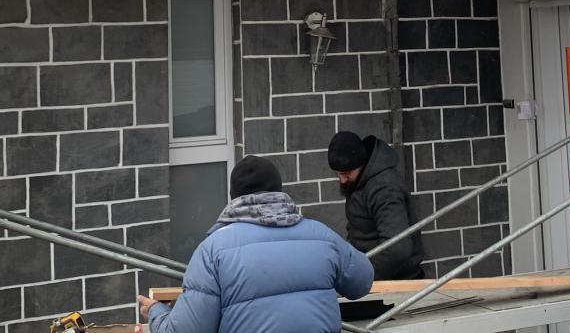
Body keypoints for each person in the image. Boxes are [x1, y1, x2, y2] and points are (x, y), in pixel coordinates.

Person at [136, 155, 374, 333]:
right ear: (278, 191)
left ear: (234, 196)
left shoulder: (213, 251)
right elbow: (362, 281)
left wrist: (157, 312)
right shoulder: (321, 235)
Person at [327, 131, 424, 280]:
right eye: (337, 174)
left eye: (346, 173)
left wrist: (362, 276)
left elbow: (398, 248)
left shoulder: (384, 188)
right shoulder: (361, 180)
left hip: (395, 281)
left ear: (361, 164)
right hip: (375, 272)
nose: (342, 180)